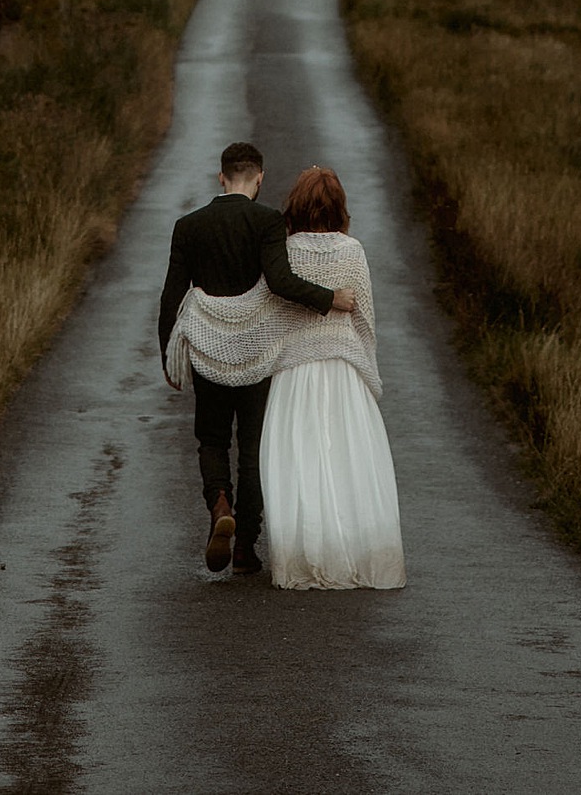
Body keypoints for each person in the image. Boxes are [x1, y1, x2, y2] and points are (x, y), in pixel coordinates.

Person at [159, 140, 357, 576]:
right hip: (256, 351)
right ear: (260, 178)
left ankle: (219, 504)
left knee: (211, 439)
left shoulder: (188, 225)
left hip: (207, 348)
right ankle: (246, 545)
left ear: (221, 176)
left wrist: (167, 356)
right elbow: (282, 281)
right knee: (253, 448)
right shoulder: (267, 221)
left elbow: (172, 295)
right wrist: (331, 299)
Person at [258, 165, 405, 590]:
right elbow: (365, 318)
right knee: (346, 459)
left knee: (300, 461)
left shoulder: (284, 250)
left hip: (295, 371)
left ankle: (304, 554)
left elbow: (270, 310)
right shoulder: (352, 251)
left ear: (297, 206)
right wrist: (366, 366)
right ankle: (356, 550)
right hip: (342, 369)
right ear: (339, 206)